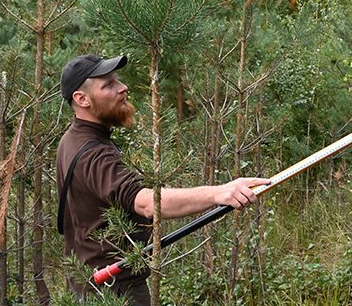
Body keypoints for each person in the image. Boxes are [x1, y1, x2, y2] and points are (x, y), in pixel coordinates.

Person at [56, 54, 270, 305]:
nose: (123, 88)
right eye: (108, 85)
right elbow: (146, 202)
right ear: (82, 99)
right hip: (114, 292)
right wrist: (219, 193)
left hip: (96, 284)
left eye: (117, 80)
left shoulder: (72, 140)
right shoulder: (93, 153)